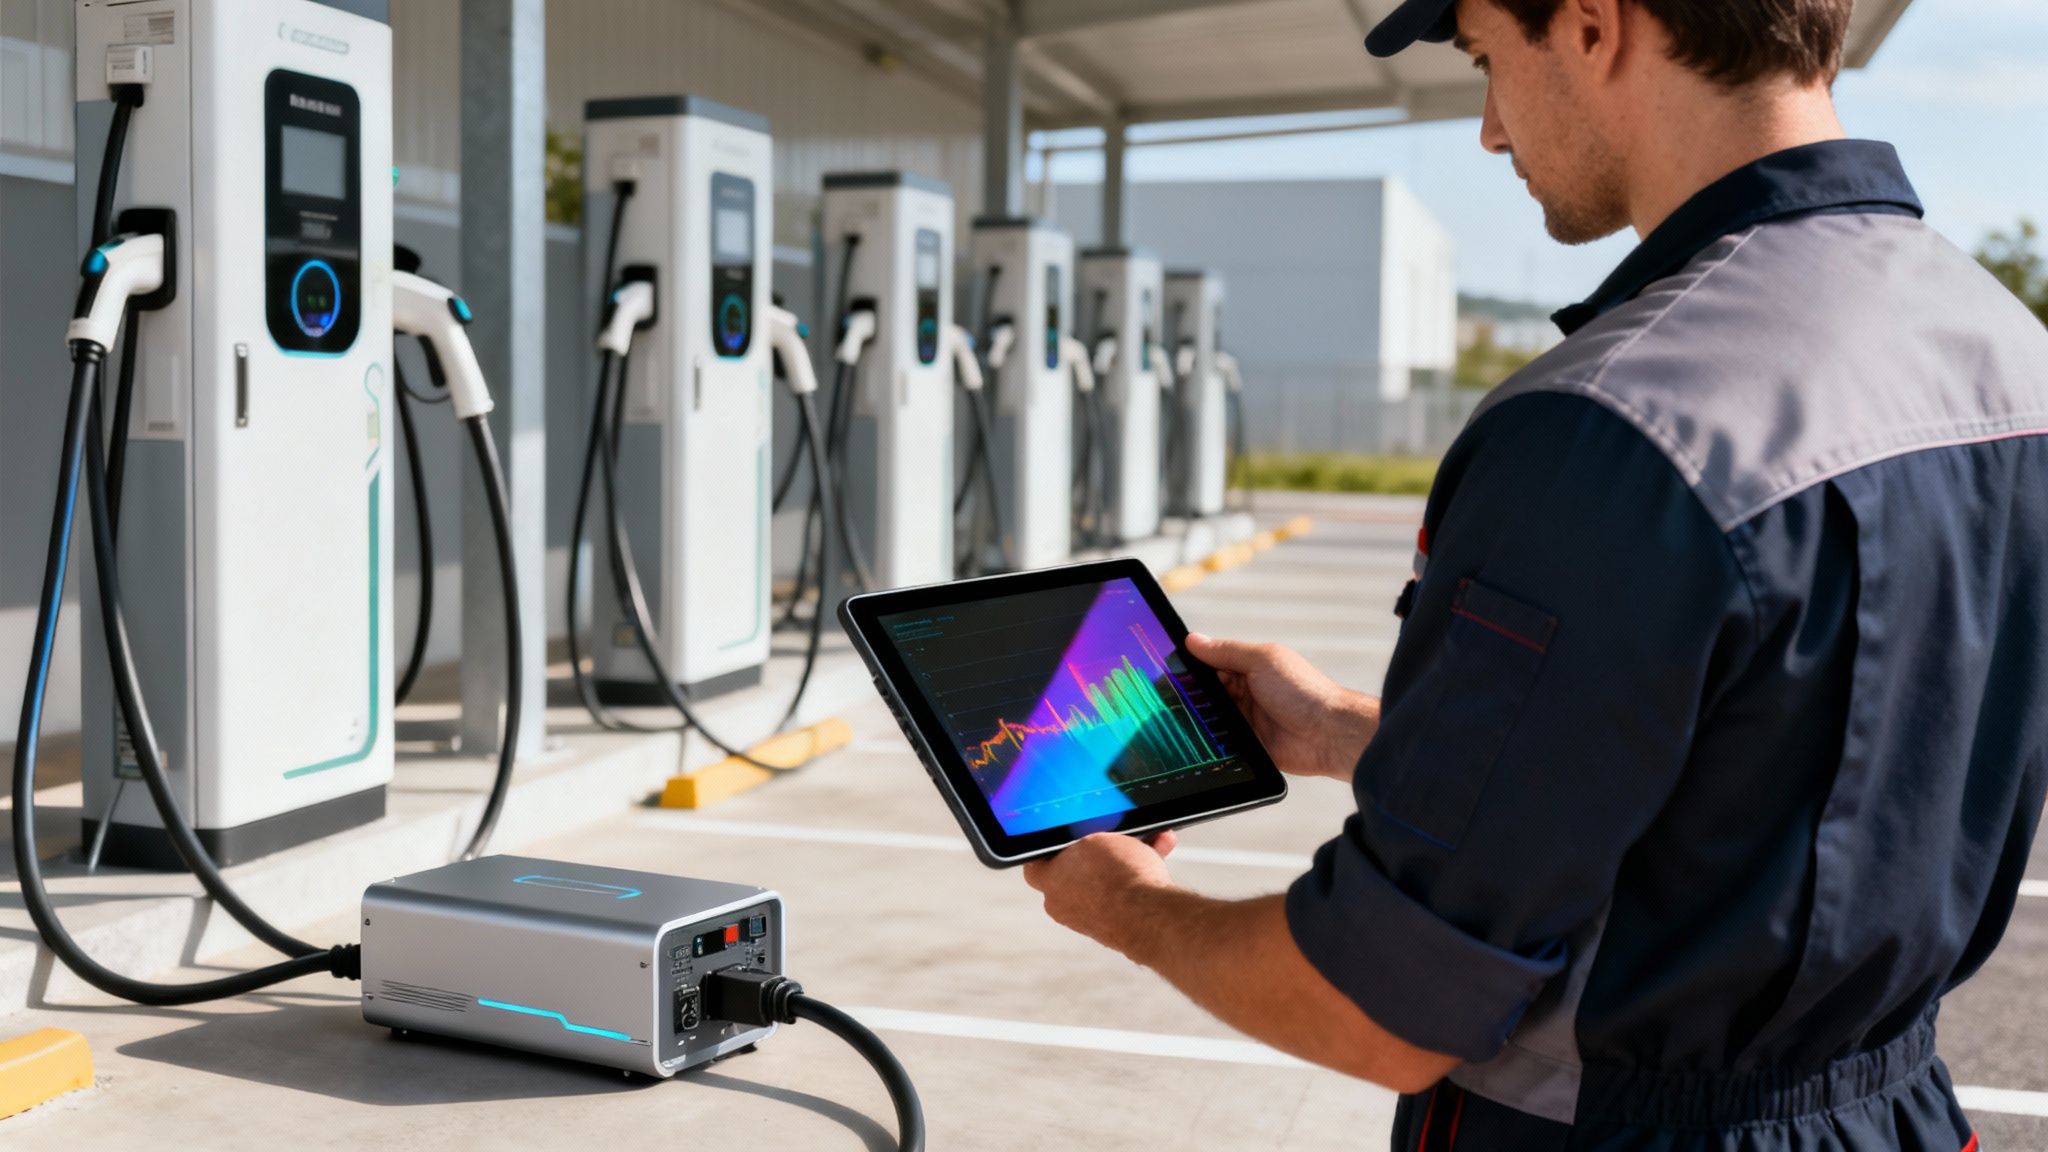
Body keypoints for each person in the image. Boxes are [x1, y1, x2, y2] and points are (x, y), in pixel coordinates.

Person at [1020, 0, 2048, 1147]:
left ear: (1591, 25)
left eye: (1483, 61)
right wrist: (1350, 734)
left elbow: (1380, 1006)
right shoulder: (2006, 353)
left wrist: (1127, 907)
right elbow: (1760, 794)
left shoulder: (1614, 425)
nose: (1488, 131)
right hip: (1892, 1115)